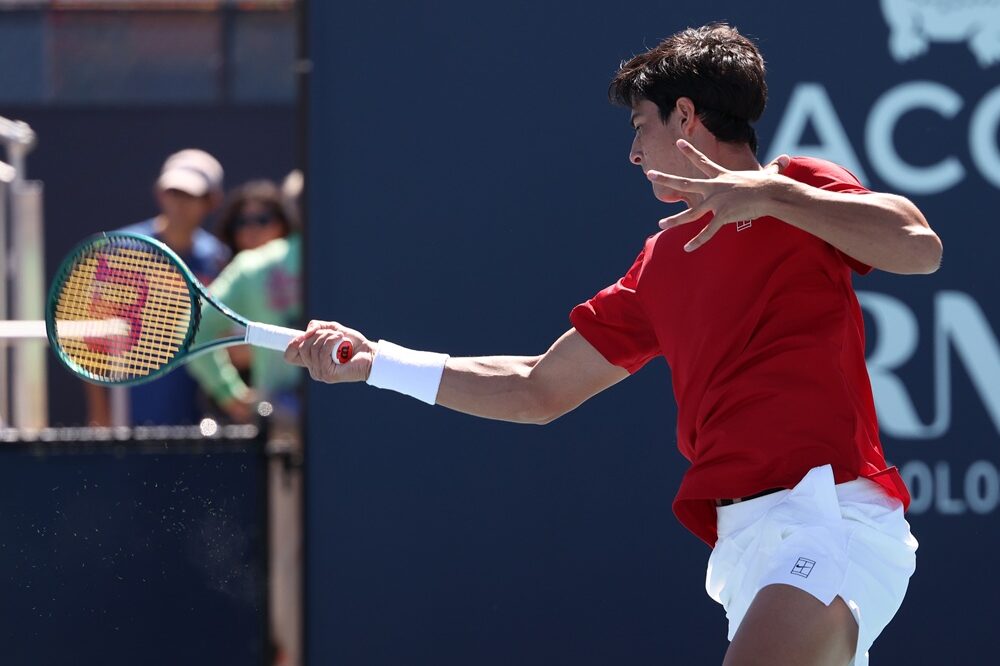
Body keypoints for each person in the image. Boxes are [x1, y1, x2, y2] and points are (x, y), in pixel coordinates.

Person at [284, 24, 941, 666]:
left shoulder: (800, 184)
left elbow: (920, 248)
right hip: (745, 547)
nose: (633, 152)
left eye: (640, 126)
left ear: (685, 117)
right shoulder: (661, 262)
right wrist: (377, 363)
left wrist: (774, 195)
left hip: (829, 518)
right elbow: (538, 388)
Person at [85, 148, 230, 426]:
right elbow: (94, 340)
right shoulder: (121, 250)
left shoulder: (217, 258)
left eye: (190, 195)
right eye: (173, 192)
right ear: (160, 194)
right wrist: (100, 414)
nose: (179, 203)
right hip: (128, 415)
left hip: (196, 417)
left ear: (211, 202)